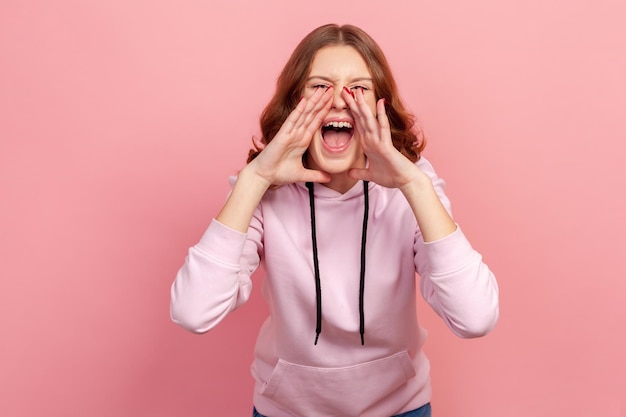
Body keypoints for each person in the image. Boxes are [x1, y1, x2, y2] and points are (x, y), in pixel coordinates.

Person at [170, 23, 499, 417]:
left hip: (399, 410)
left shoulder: (413, 188)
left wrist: (414, 182)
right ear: (295, 105)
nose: (341, 101)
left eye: (358, 88)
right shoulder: (261, 190)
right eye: (320, 86)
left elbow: (475, 317)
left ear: (381, 106)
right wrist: (255, 178)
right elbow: (193, 312)